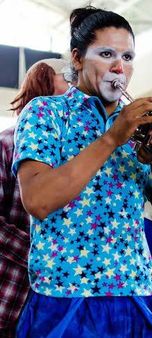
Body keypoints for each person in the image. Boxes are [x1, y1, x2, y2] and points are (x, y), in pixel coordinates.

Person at [13, 6, 152, 338]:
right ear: (76, 59)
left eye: (128, 56)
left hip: (137, 295)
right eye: (106, 54)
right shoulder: (47, 112)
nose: (119, 67)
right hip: (64, 295)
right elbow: (38, 200)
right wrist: (111, 138)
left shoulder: (137, 125)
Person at [0, 58, 69, 338]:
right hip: (10, 297)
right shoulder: (7, 143)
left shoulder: (76, 151)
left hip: (56, 307)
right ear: (43, 83)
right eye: (68, 77)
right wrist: (42, 250)